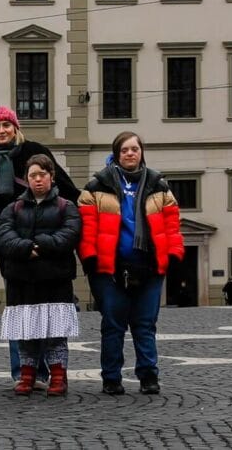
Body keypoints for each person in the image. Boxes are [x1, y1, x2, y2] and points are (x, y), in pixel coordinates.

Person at [0, 105, 80, 388]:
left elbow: (68, 190)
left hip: (49, 250)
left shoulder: (35, 150)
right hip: (15, 251)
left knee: (50, 312)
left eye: (6, 125)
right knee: (20, 312)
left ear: (15, 128)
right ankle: (24, 373)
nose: (1, 131)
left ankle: (53, 372)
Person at [78, 131, 184, 396]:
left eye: (134, 149)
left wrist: (173, 255)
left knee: (145, 325)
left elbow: (172, 225)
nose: (130, 153)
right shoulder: (95, 187)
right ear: (116, 153)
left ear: (141, 152)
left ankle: (148, 376)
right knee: (112, 325)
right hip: (110, 269)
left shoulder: (159, 186)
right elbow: (87, 228)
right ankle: (111, 377)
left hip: (149, 268)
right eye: (124, 149)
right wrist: (90, 259)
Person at [0, 154, 81, 398]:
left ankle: (58, 377)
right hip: (22, 281)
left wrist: (38, 246)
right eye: (33, 175)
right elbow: (4, 237)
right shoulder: (13, 208)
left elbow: (69, 235)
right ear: (27, 179)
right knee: (26, 333)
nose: (37, 179)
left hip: (55, 281)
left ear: (51, 177)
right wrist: (25, 248)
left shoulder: (67, 207)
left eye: (42, 174)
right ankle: (27, 376)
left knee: (55, 335)